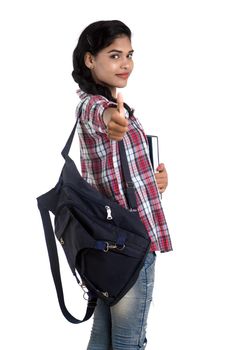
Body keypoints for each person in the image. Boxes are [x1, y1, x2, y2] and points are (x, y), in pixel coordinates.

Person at [72, 20, 172, 350]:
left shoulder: (120, 106)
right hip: (132, 244)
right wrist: (113, 122)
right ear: (90, 59)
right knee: (130, 342)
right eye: (114, 55)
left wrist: (156, 181)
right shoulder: (95, 106)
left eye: (129, 55)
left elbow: (119, 171)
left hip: (108, 242)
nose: (125, 64)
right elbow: (102, 118)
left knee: (103, 337)